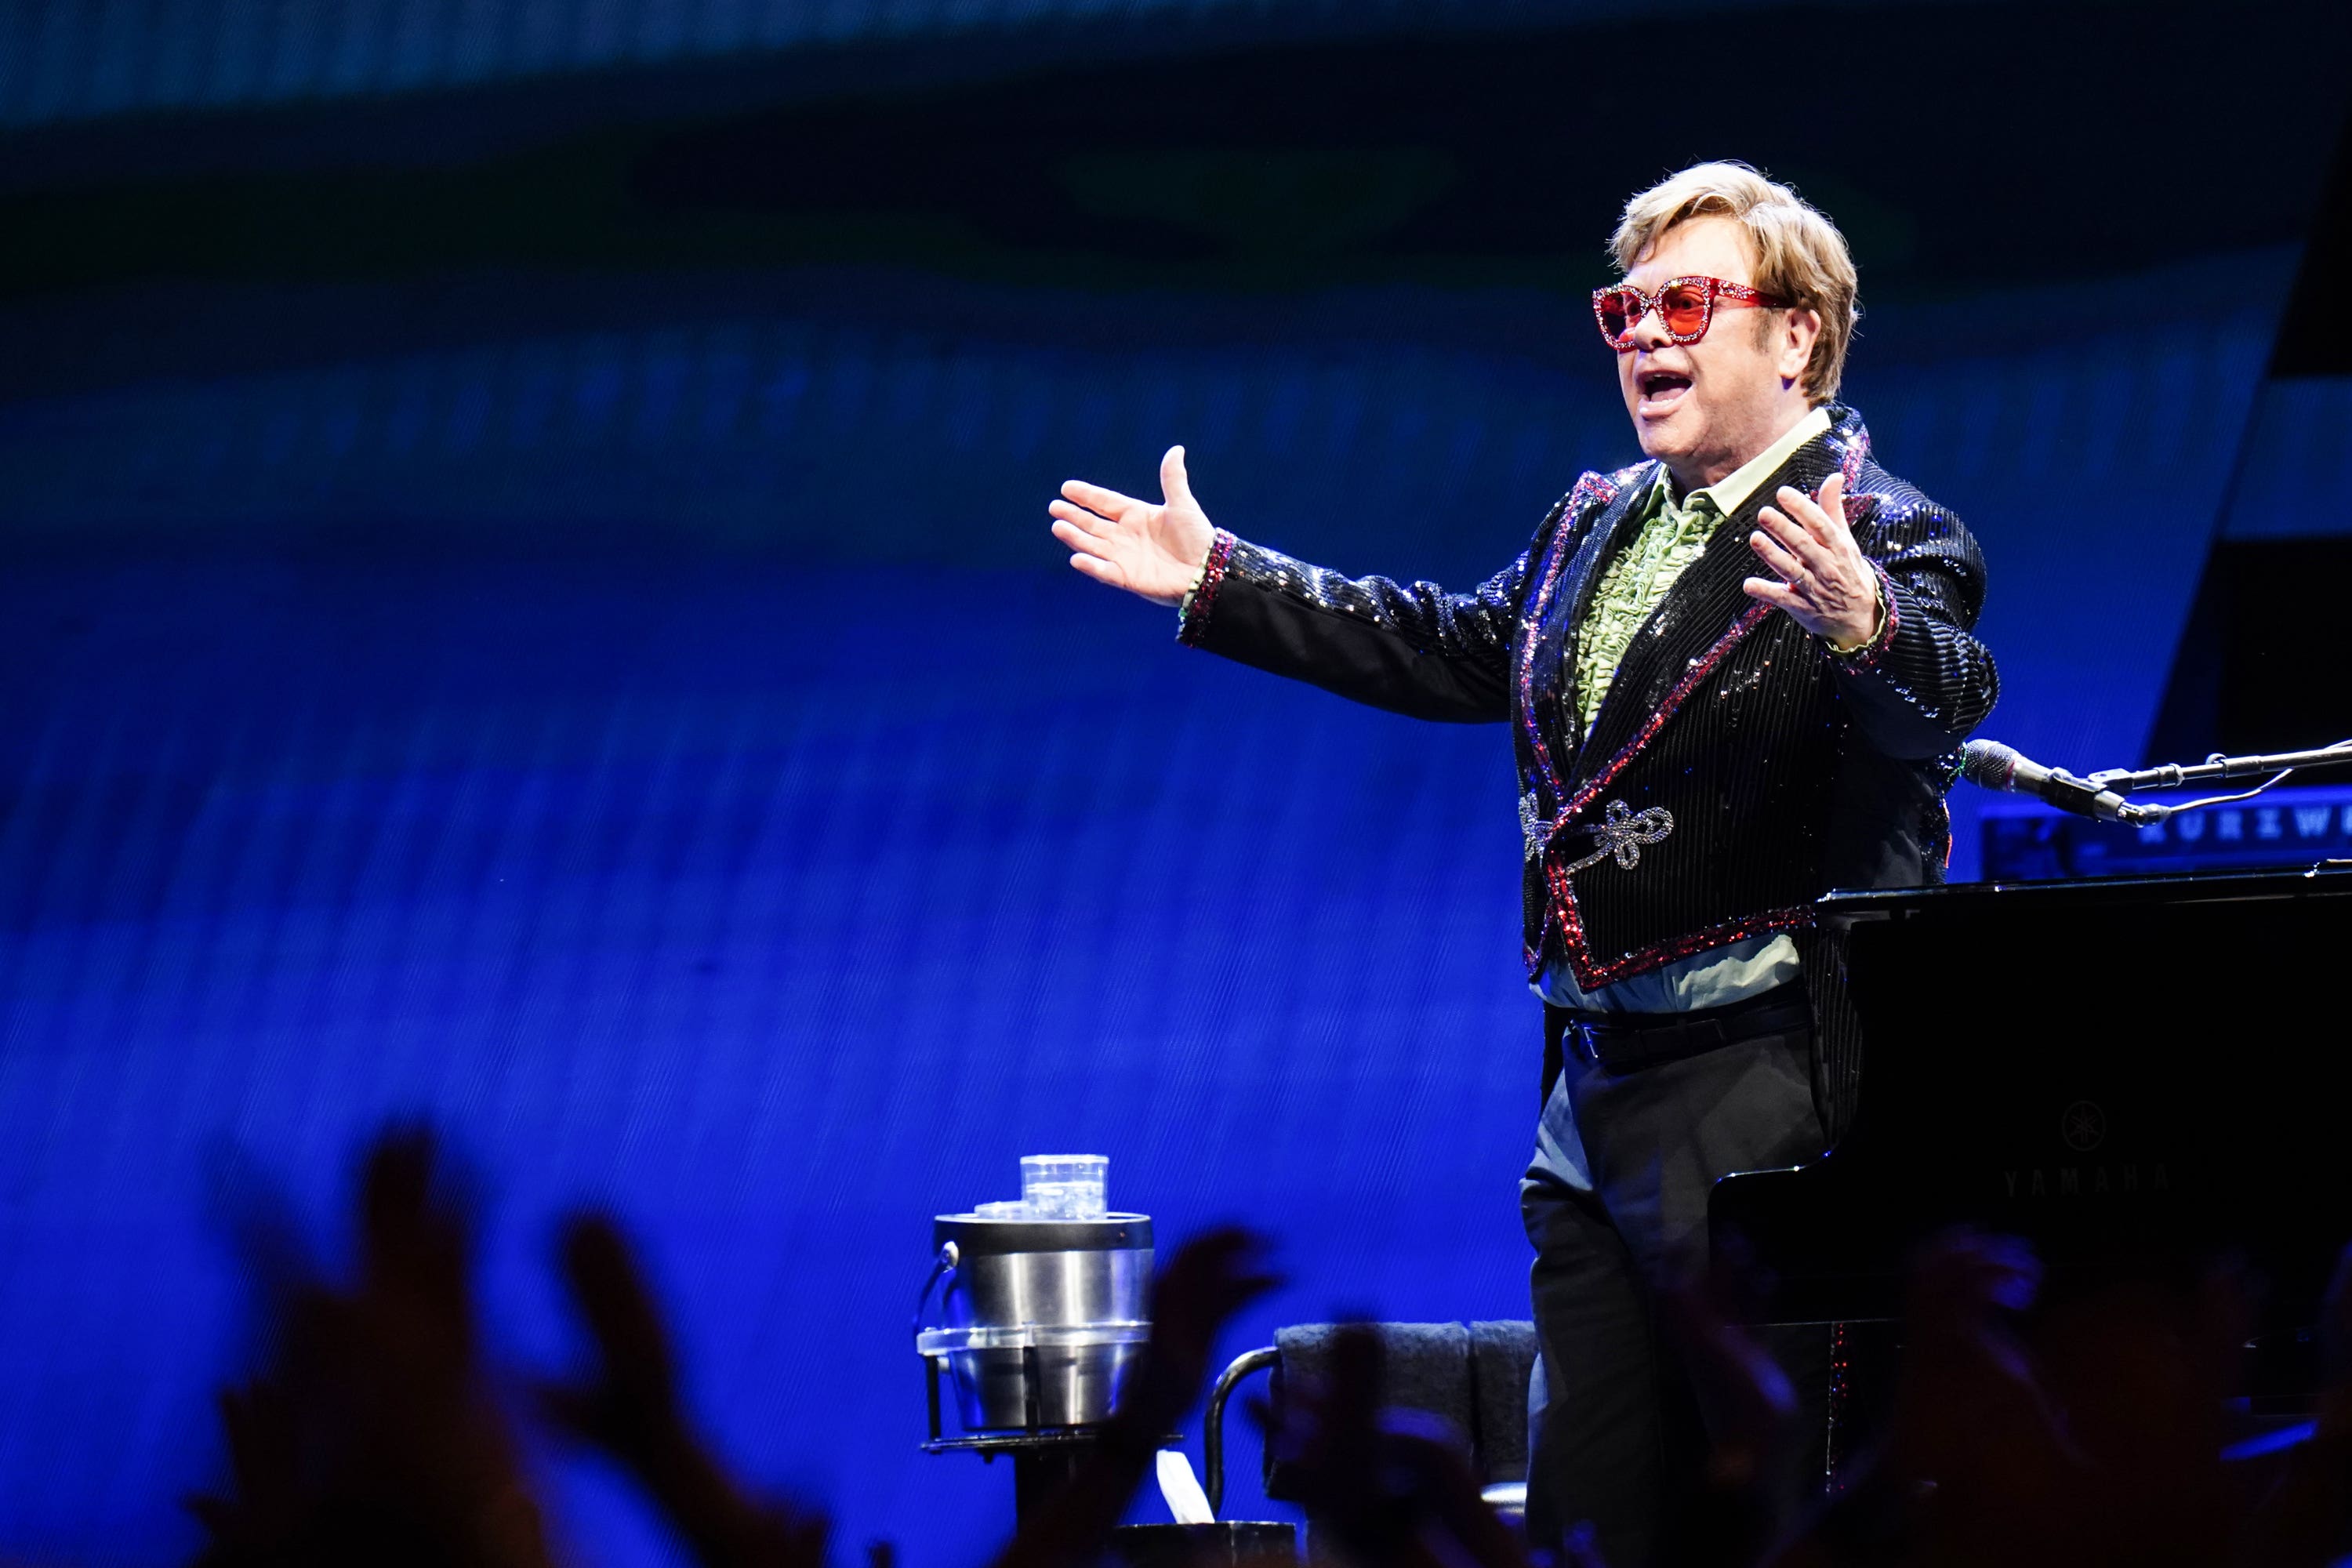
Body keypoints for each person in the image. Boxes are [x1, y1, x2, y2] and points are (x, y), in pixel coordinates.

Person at [1046, 161, 1998, 1565]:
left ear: (1798, 334)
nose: (1644, 338)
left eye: (1686, 302)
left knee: (1778, 1500)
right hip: (1591, 1097)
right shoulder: (1591, 522)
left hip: (1770, 1096)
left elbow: (1951, 699)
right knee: (1590, 1511)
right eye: (1623, 309)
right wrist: (1223, 580)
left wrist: (1866, 626)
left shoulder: (1885, 532)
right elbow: (1447, 643)